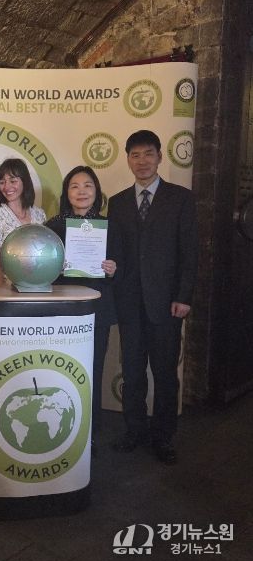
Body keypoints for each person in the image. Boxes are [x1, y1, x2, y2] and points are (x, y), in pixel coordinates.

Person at [108, 130, 198, 465]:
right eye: (135, 155)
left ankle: (163, 436)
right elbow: (115, 252)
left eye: (148, 154)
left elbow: (190, 252)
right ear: (128, 159)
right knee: (132, 372)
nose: (142, 161)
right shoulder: (117, 202)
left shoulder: (181, 199)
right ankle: (134, 431)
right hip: (130, 303)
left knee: (164, 374)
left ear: (160, 156)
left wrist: (184, 296)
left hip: (167, 303)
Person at [45, 166, 117, 448]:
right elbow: (41, 270)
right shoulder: (52, 226)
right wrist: (55, 267)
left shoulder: (109, 226)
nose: (82, 191)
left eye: (88, 185)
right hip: (62, 311)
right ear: (67, 193)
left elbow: (122, 268)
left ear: (97, 191)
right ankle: (60, 431)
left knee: (93, 370)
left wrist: (113, 269)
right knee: (61, 371)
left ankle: (90, 432)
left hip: (98, 311)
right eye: (74, 186)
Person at [0, 158, 46, 286]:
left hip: (36, 286)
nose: (7, 187)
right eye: (2, 182)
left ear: (25, 182)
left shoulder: (40, 214)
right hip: (5, 287)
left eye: (13, 181)